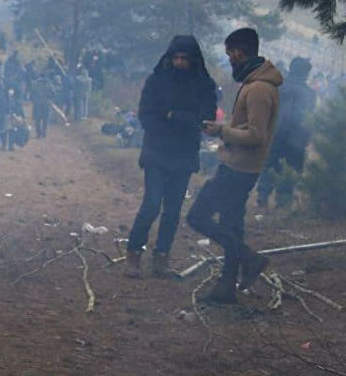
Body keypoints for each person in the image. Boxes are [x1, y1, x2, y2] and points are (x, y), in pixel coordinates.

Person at [187, 28, 282, 305]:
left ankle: (249, 258)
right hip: (239, 165)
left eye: (230, 53)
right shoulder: (254, 83)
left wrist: (221, 132)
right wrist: (224, 130)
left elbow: (256, 135)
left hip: (239, 169)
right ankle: (226, 289)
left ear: (240, 51)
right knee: (230, 224)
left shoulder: (260, 88)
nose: (229, 58)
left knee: (197, 217)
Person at [125, 36, 217, 278]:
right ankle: (134, 252)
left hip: (184, 154)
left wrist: (172, 116)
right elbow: (147, 116)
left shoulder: (204, 85)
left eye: (184, 59)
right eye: (176, 58)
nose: (179, 63)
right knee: (152, 204)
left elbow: (206, 118)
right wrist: (180, 119)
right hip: (157, 151)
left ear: (193, 60)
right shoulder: (156, 81)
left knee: (173, 210)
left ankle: (161, 256)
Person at [257, 57, 317, 208]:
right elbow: (308, 118)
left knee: (270, 164)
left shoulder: (278, 87)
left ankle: (263, 195)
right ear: (306, 73)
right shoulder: (309, 94)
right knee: (291, 167)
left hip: (275, 134)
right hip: (296, 138)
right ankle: (283, 200)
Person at [29, 74, 55, 139]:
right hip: (46, 104)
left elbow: (31, 94)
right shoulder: (49, 84)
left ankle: (39, 133)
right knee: (45, 119)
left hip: (37, 104)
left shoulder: (35, 84)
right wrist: (50, 100)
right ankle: (44, 132)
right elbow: (53, 93)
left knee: (37, 119)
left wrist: (33, 101)